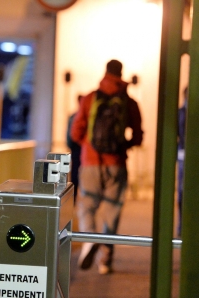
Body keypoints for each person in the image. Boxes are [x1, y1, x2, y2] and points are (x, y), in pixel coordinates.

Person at [70, 59, 143, 275]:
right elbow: (138, 136)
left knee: (86, 206)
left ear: (105, 72)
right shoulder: (129, 102)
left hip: (91, 162)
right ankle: (105, 260)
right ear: (121, 74)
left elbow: (75, 132)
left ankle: (89, 239)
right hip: (117, 164)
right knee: (112, 212)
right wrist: (122, 146)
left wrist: (88, 145)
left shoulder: (90, 98)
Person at [67, 95, 83, 202]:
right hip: (83, 148)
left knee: (75, 173)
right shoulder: (87, 116)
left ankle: (74, 197)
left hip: (75, 148)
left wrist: (70, 145)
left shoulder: (73, 116)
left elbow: (69, 135)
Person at [177, 86, 188, 237]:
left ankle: (182, 225)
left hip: (182, 156)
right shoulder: (182, 113)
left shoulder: (180, 112)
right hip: (184, 155)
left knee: (182, 191)